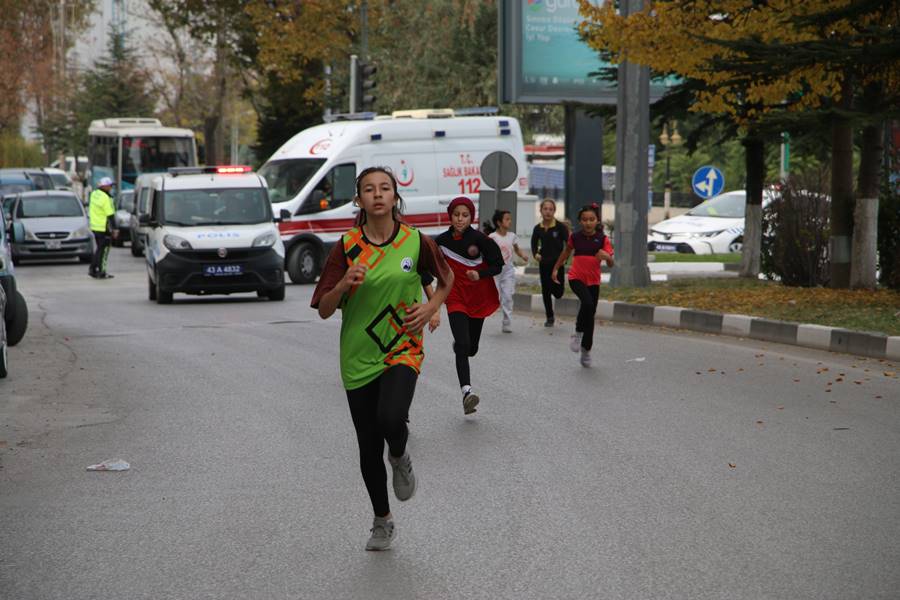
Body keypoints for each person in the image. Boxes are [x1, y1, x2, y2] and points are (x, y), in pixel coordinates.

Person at [310, 166, 453, 551]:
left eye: (385, 188)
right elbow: (324, 309)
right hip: (358, 355)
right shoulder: (346, 246)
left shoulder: (415, 241)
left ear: (394, 197)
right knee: (367, 445)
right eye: (369, 190)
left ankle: (401, 453)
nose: (377, 195)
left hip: (402, 346)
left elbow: (446, 277)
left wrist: (430, 307)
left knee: (391, 417)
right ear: (359, 200)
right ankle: (382, 519)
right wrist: (342, 285)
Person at [435, 196, 503, 414]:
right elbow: (428, 265)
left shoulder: (480, 239)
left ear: (471, 217)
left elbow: (498, 265)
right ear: (450, 216)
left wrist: (480, 274)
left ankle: (462, 348)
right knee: (463, 344)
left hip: (477, 297)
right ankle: (467, 392)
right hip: (454, 297)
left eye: (464, 215)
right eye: (456, 215)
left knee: (471, 348)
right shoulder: (441, 241)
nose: (460, 219)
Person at [551, 203, 614, 368]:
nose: (588, 223)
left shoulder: (602, 239)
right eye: (585, 220)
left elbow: (611, 264)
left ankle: (586, 350)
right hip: (576, 278)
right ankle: (578, 333)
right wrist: (556, 268)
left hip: (593, 281)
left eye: (591, 219)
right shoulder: (575, 237)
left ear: (597, 220)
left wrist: (607, 257)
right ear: (580, 221)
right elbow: (566, 253)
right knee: (586, 304)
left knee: (590, 314)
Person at [484, 209, 528, 333]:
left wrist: (523, 255)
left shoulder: (512, 236)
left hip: (508, 271)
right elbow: (485, 252)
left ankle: (507, 322)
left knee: (508, 296)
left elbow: (517, 249)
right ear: (499, 222)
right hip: (495, 271)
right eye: (507, 219)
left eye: (510, 219)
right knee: (495, 296)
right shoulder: (492, 237)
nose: (510, 221)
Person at [531, 199, 569, 327]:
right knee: (545, 291)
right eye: (545, 209)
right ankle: (550, 317)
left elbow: (569, 244)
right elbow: (533, 244)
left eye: (550, 209)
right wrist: (535, 253)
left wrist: (565, 258)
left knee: (558, 293)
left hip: (558, 265)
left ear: (554, 211)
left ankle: (556, 288)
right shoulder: (537, 228)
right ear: (541, 210)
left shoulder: (560, 227)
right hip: (544, 264)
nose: (548, 212)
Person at [88, 177, 116, 279]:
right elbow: (110, 215)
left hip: (95, 226)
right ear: (105, 186)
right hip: (104, 227)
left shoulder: (94, 194)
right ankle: (101, 271)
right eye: (110, 186)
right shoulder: (106, 198)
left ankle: (93, 269)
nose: (111, 188)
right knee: (104, 250)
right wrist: (115, 229)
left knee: (99, 249)